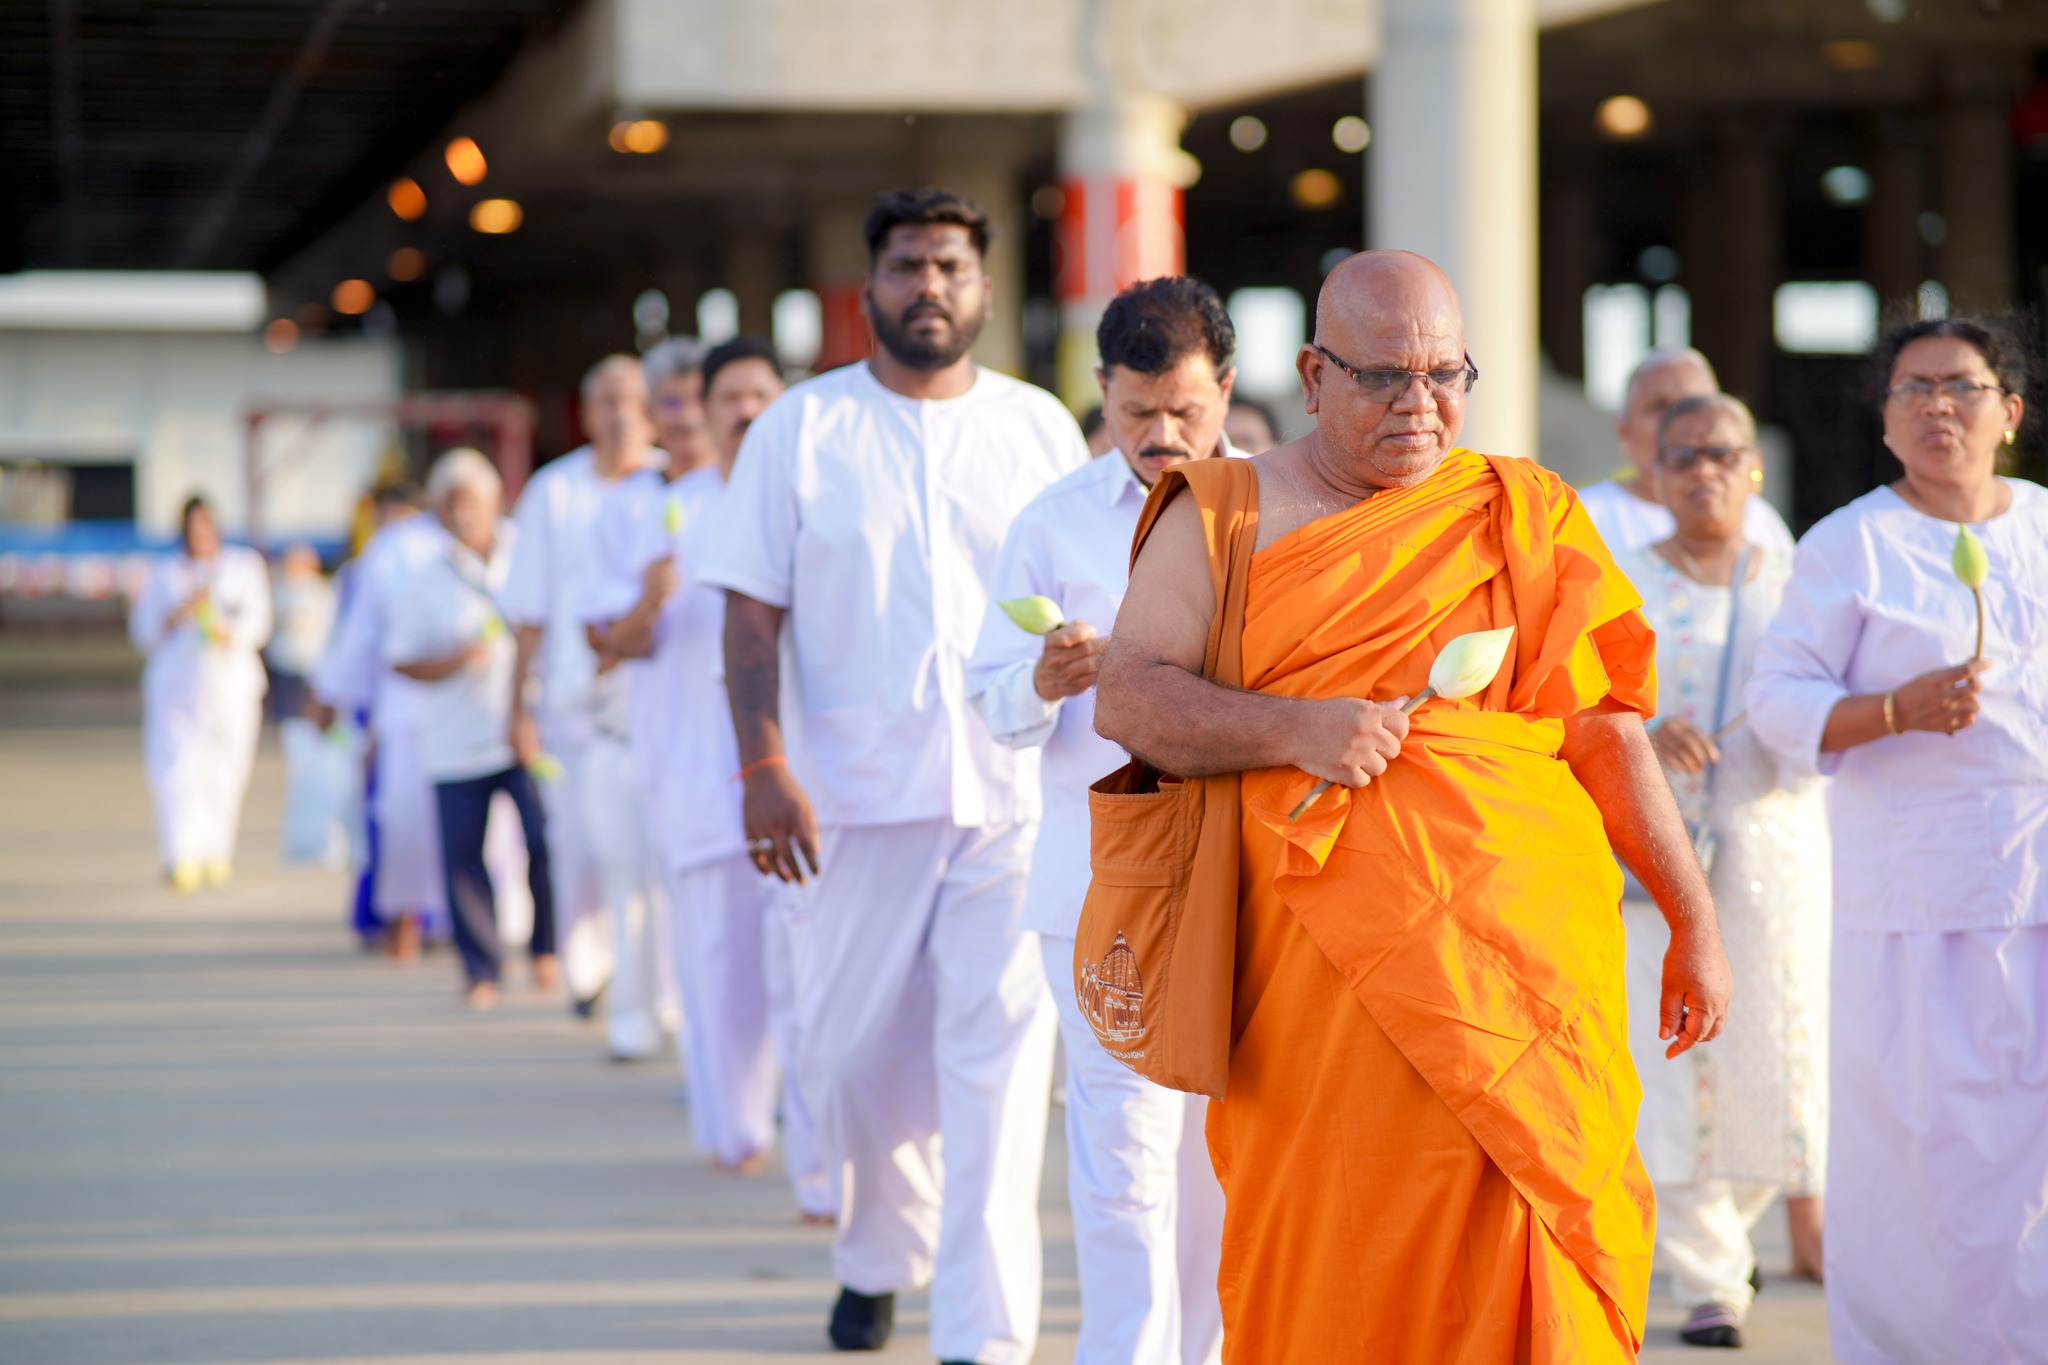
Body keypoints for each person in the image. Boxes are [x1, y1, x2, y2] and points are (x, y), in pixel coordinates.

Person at [1092, 250, 1733, 1362]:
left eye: (1445, 375)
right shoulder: (1225, 512)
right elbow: (1131, 697)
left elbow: (1603, 728)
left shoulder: (1519, 510)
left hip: (1525, 968)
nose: (1419, 404)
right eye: (1384, 376)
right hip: (1319, 978)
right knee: (1338, 1238)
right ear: (1311, 372)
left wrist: (1693, 918)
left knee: (1541, 1214)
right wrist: (1295, 727)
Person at [698, 187, 1089, 1359]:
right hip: (851, 803)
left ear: (982, 288)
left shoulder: (1035, 429)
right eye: (909, 265)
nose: (930, 285)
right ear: (868, 286)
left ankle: (980, 1336)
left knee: (998, 1074)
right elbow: (751, 615)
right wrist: (761, 762)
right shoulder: (801, 431)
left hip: (1011, 797)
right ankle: (876, 1255)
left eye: (952, 267)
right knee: (848, 1055)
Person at [1747, 318, 2048, 1365]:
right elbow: (1777, 702)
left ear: (2006, 414)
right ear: (1883, 422)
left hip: (2038, 883)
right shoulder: (1850, 544)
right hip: (1916, 905)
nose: (1935, 408)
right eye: (1911, 390)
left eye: (1959, 388)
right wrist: (1893, 711)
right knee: (1932, 1150)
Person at [966, 276, 1235, 1365]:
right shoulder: (1052, 521)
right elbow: (985, 698)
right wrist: (1038, 679)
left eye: (1185, 412)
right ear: (1101, 394)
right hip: (1098, 888)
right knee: (1119, 1163)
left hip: (1239, 880)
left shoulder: (1270, 513)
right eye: (1136, 414)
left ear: (1224, 390)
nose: (1162, 436)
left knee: (1218, 1162)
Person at [583, 335, 833, 1219]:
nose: (739, 410)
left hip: (802, 775)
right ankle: (736, 1131)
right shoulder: (656, 512)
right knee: (720, 965)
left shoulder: (820, 498)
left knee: (807, 972)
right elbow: (606, 641)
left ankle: (821, 1162)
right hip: (695, 769)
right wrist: (650, 596)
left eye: (758, 391)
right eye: (723, 396)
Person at [1618, 393, 1830, 1349]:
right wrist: (1645, 736)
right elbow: (1580, 702)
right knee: (1670, 1062)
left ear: (1751, 467)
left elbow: (1834, 699)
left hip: (1777, 851)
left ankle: (1728, 1236)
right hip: (1654, 859)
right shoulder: (1616, 584)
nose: (1704, 470)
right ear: (1656, 474)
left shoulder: (1800, 579)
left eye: (1723, 454)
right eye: (1684, 455)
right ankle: (1709, 1276)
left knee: (1777, 1063)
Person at [502, 355, 662, 1045]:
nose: (621, 412)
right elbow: (529, 610)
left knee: (648, 858)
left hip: (655, 701)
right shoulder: (553, 491)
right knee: (582, 846)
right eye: (606, 400)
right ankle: (589, 967)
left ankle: (647, 992)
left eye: (632, 398)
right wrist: (516, 706)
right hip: (572, 704)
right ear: (586, 411)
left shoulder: (670, 481)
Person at [387, 450, 555, 1011]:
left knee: (544, 839)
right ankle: (481, 967)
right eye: (452, 503)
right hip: (455, 741)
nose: (464, 514)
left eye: (473, 502)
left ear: (493, 503)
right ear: (438, 512)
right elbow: (401, 659)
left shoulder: (526, 552)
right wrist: (455, 661)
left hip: (527, 729)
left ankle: (546, 951)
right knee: (464, 857)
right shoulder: (426, 579)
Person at [312, 482, 461, 959]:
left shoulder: (388, 550)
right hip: (458, 707)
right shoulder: (460, 544)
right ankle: (448, 919)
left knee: (394, 815)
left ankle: (402, 923)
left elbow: (359, 637)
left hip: (401, 705)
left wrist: (330, 695)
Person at [129, 495, 272, 893]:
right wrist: (179, 612)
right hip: (176, 688)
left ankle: (217, 852)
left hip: (230, 687)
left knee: (225, 771)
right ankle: (181, 854)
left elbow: (258, 623)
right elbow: (143, 631)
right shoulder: (165, 573)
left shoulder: (242, 567)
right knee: (176, 771)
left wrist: (227, 629)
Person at [1577, 347, 1794, 556]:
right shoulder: (1582, 517)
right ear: (1624, 432)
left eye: (1693, 405)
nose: (1677, 422)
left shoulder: (1757, 518)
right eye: (1659, 406)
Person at [263, 542, 333, 722]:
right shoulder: (280, 587)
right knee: (286, 717)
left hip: (310, 661)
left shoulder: (320, 590)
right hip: (283, 661)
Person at [644, 335, 718, 477]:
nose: (688, 416)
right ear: (649, 412)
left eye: (699, 399)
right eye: (671, 403)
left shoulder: (742, 488)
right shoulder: (627, 494)